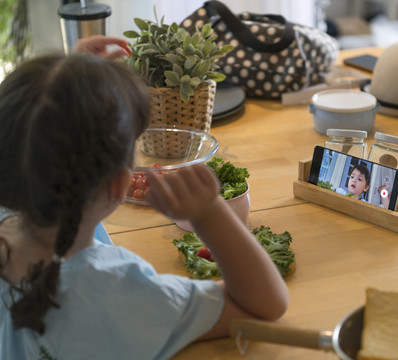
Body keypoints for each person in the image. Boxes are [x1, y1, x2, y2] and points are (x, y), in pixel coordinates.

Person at [0, 51, 288, 358]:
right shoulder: (119, 292)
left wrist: (67, 80)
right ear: (119, 184)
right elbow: (264, 304)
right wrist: (210, 215)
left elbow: (35, 136)